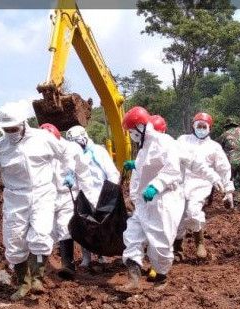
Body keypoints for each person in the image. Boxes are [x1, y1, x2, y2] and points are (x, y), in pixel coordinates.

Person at [0, 104, 91, 301]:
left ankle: (38, 277)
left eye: (14, 128)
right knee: (14, 242)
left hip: (42, 193)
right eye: (7, 129)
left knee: (40, 236)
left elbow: (66, 153)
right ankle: (23, 282)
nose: (11, 132)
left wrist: (70, 170)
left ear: (23, 124)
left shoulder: (42, 138)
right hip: (15, 197)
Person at [120, 106, 184, 291]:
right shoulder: (143, 148)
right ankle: (133, 280)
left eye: (132, 130)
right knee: (132, 236)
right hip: (143, 203)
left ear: (141, 127)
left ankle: (161, 277)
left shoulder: (165, 142)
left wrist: (155, 186)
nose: (131, 135)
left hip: (163, 200)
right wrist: (135, 168)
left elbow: (172, 169)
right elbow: (142, 172)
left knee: (159, 243)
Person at [175, 112, 232, 260]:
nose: (201, 129)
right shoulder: (182, 140)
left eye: (203, 126)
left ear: (209, 128)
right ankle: (177, 249)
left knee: (193, 211)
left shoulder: (215, 147)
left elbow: (224, 168)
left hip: (202, 183)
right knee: (177, 214)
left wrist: (228, 189)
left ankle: (199, 242)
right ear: (193, 126)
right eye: (198, 126)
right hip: (181, 181)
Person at [65, 125, 121, 272]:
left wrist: (109, 194)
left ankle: (102, 255)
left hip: (102, 196)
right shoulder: (74, 155)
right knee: (85, 227)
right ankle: (86, 257)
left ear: (84, 138)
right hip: (84, 196)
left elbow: (112, 173)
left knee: (103, 227)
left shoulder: (98, 152)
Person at [40, 122, 80, 280]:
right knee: (44, 231)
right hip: (48, 195)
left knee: (64, 227)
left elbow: (81, 169)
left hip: (66, 194)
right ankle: (39, 267)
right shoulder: (41, 150)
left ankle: (68, 265)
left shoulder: (68, 148)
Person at [219, 117, 240, 209]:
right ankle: (235, 206)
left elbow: (218, 148)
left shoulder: (224, 135)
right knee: (238, 184)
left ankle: (229, 199)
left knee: (229, 182)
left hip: (230, 163)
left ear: (227, 127)